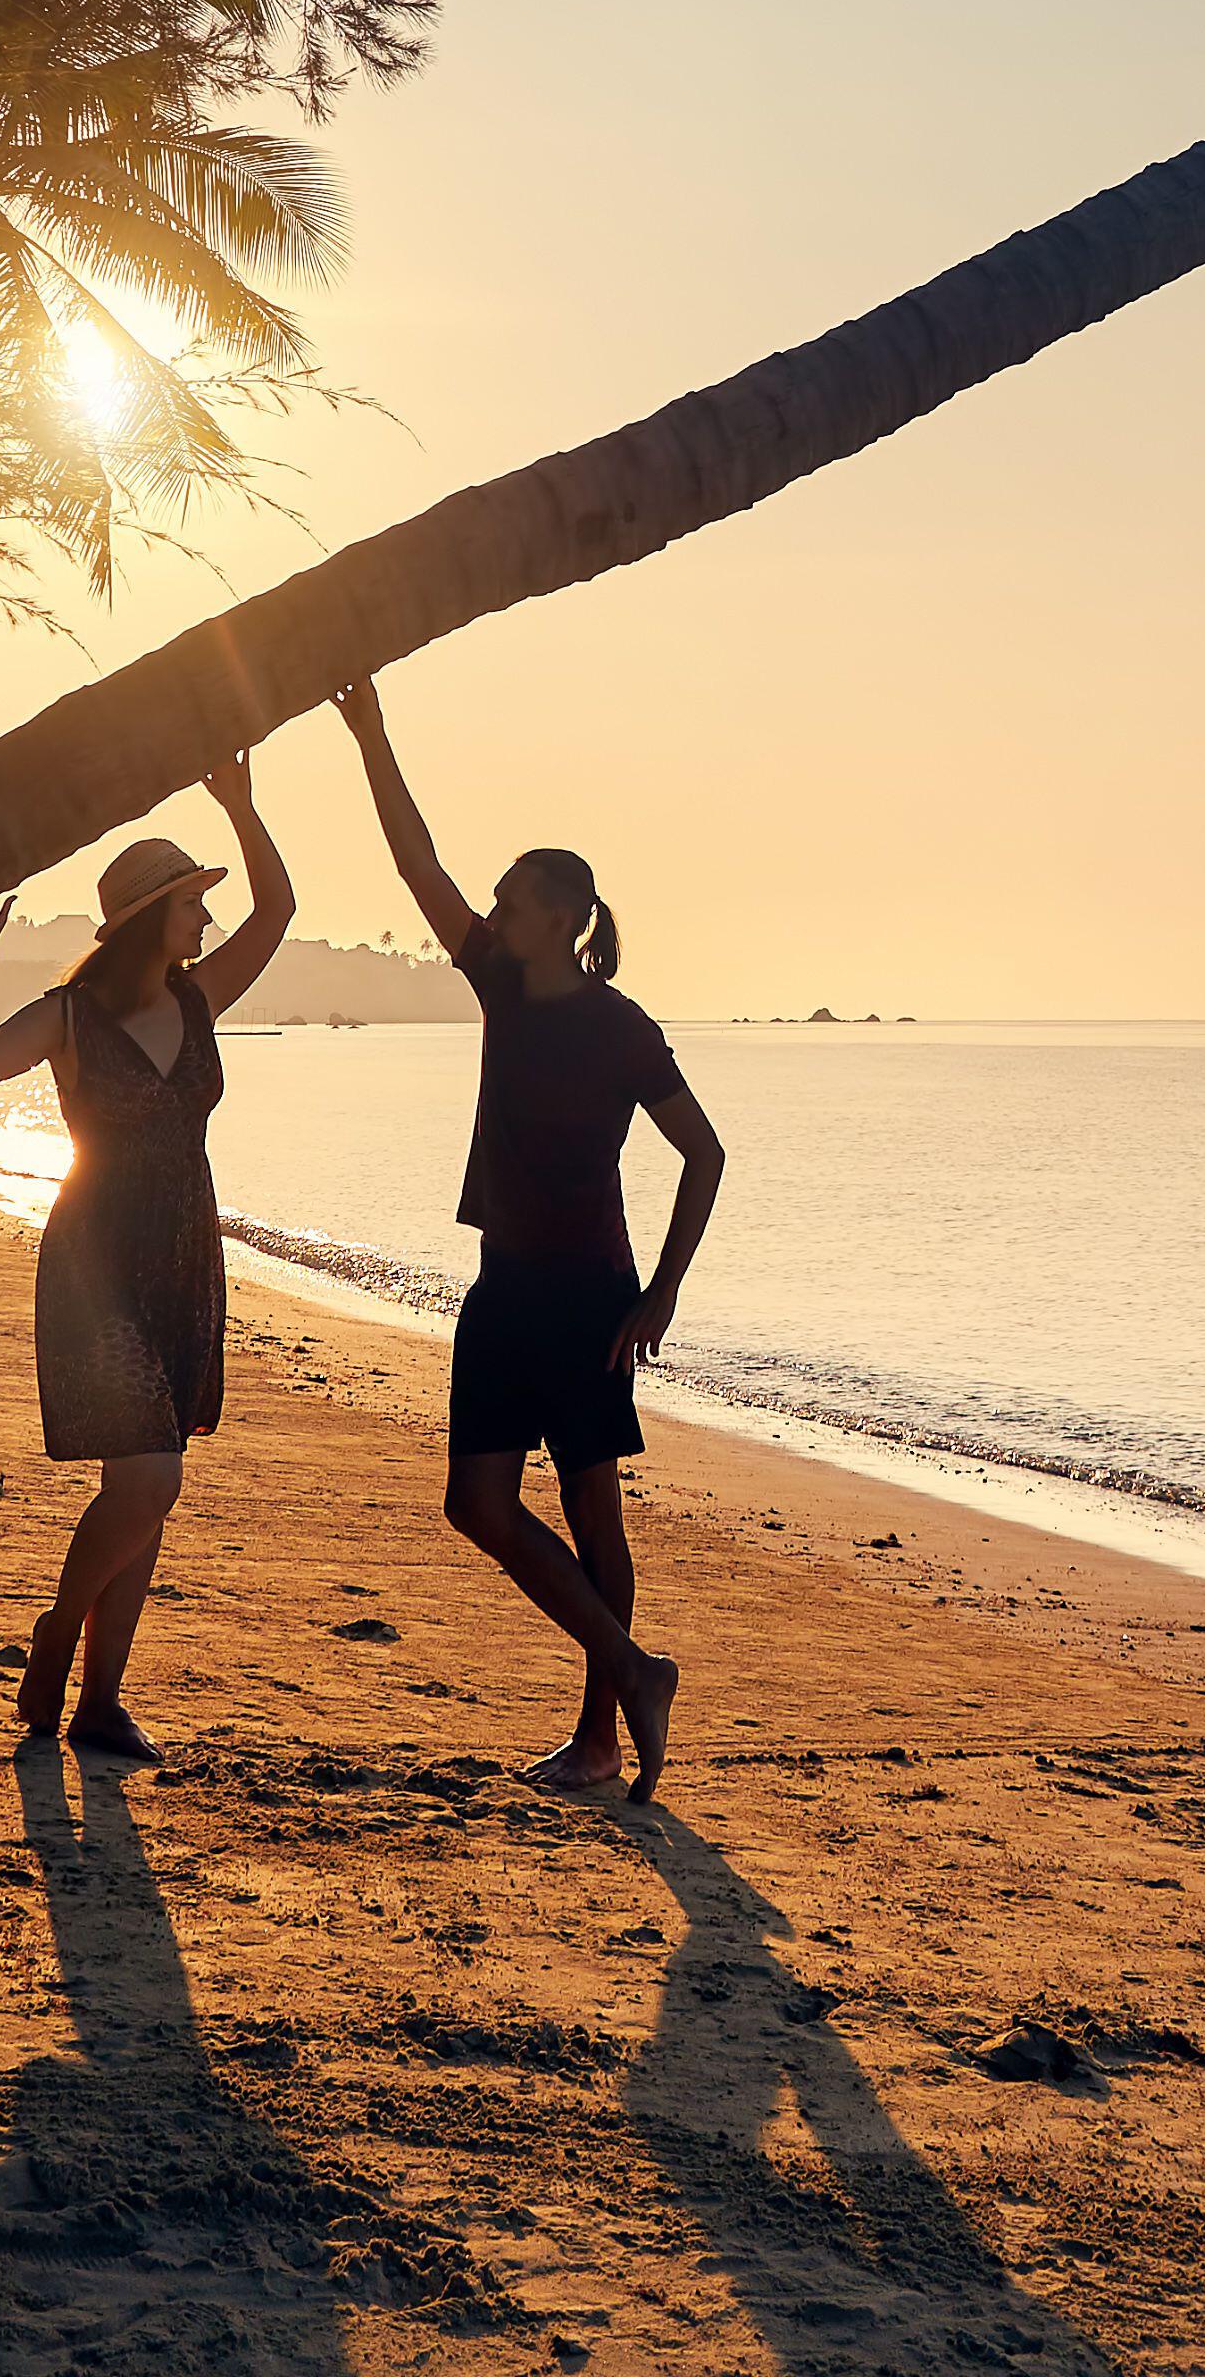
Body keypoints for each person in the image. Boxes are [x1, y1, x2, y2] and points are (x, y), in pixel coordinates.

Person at [334, 675, 720, 1796]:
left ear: (562, 914)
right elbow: (418, 865)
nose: (493, 912)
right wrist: (372, 733)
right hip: (505, 1286)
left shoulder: (620, 1027)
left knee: (592, 1506)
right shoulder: (502, 988)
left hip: (591, 1294)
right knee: (479, 1504)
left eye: (512, 901)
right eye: (495, 901)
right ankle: (636, 1672)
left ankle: (603, 1735)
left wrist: (663, 1294)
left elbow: (706, 1154)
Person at [0, 745, 297, 1765]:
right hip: (94, 1265)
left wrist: (245, 808)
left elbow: (278, 912)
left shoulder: (197, 999)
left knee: (148, 1481)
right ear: (152, 915)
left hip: (184, 1263)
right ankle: (58, 1630)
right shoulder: (69, 1016)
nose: (207, 922)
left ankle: (101, 1702)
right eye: (191, 905)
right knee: (148, 1480)